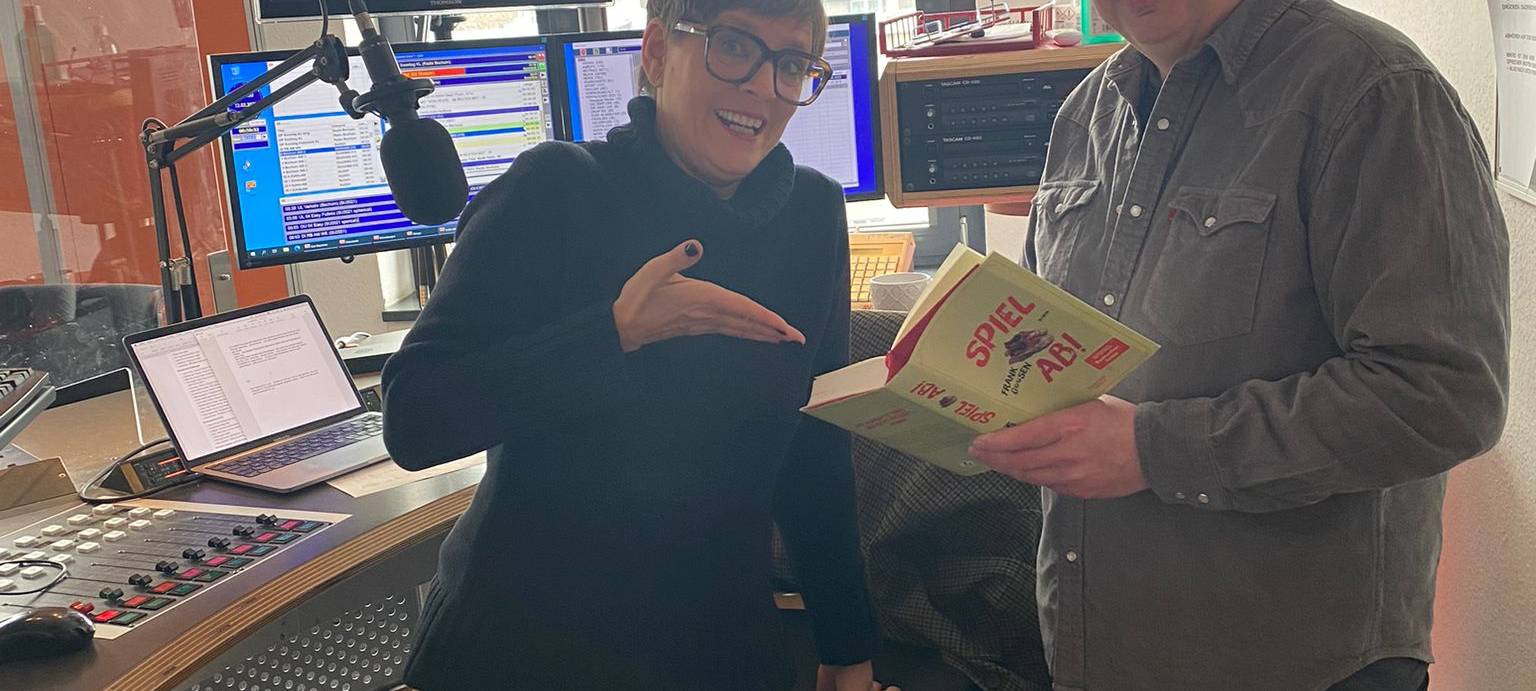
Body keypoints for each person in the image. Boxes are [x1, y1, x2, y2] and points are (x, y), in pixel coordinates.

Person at [966, 1, 1510, 689]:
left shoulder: (1374, 89)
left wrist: (1153, 450)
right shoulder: (1085, 113)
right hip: (1098, 646)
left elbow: (1445, 395)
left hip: (1296, 662)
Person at [381, 1, 895, 689]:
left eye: (792, 64)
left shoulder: (812, 213)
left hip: (722, 647)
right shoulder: (553, 189)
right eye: (734, 47)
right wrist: (617, 333)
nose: (763, 86)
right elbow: (414, 418)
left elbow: (813, 448)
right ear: (656, 52)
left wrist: (846, 645)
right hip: (522, 647)